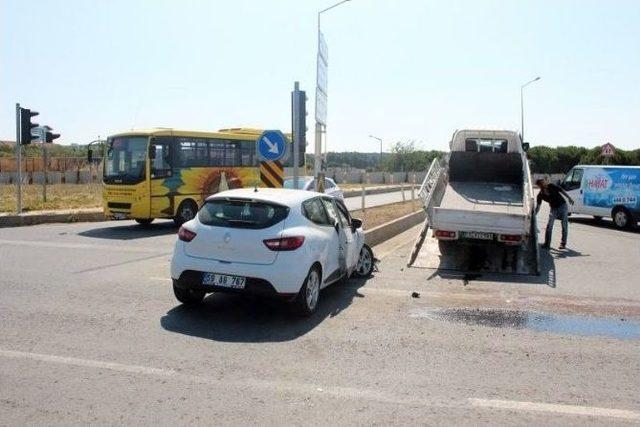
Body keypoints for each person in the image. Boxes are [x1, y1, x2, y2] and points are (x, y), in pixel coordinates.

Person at [535, 178, 574, 249]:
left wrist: (569, 198)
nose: (544, 184)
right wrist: (534, 216)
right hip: (554, 209)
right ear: (539, 186)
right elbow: (538, 207)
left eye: (544, 182)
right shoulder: (540, 195)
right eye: (541, 183)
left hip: (563, 206)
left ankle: (563, 243)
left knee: (564, 225)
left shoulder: (551, 186)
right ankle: (547, 244)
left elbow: (561, 191)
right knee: (549, 226)